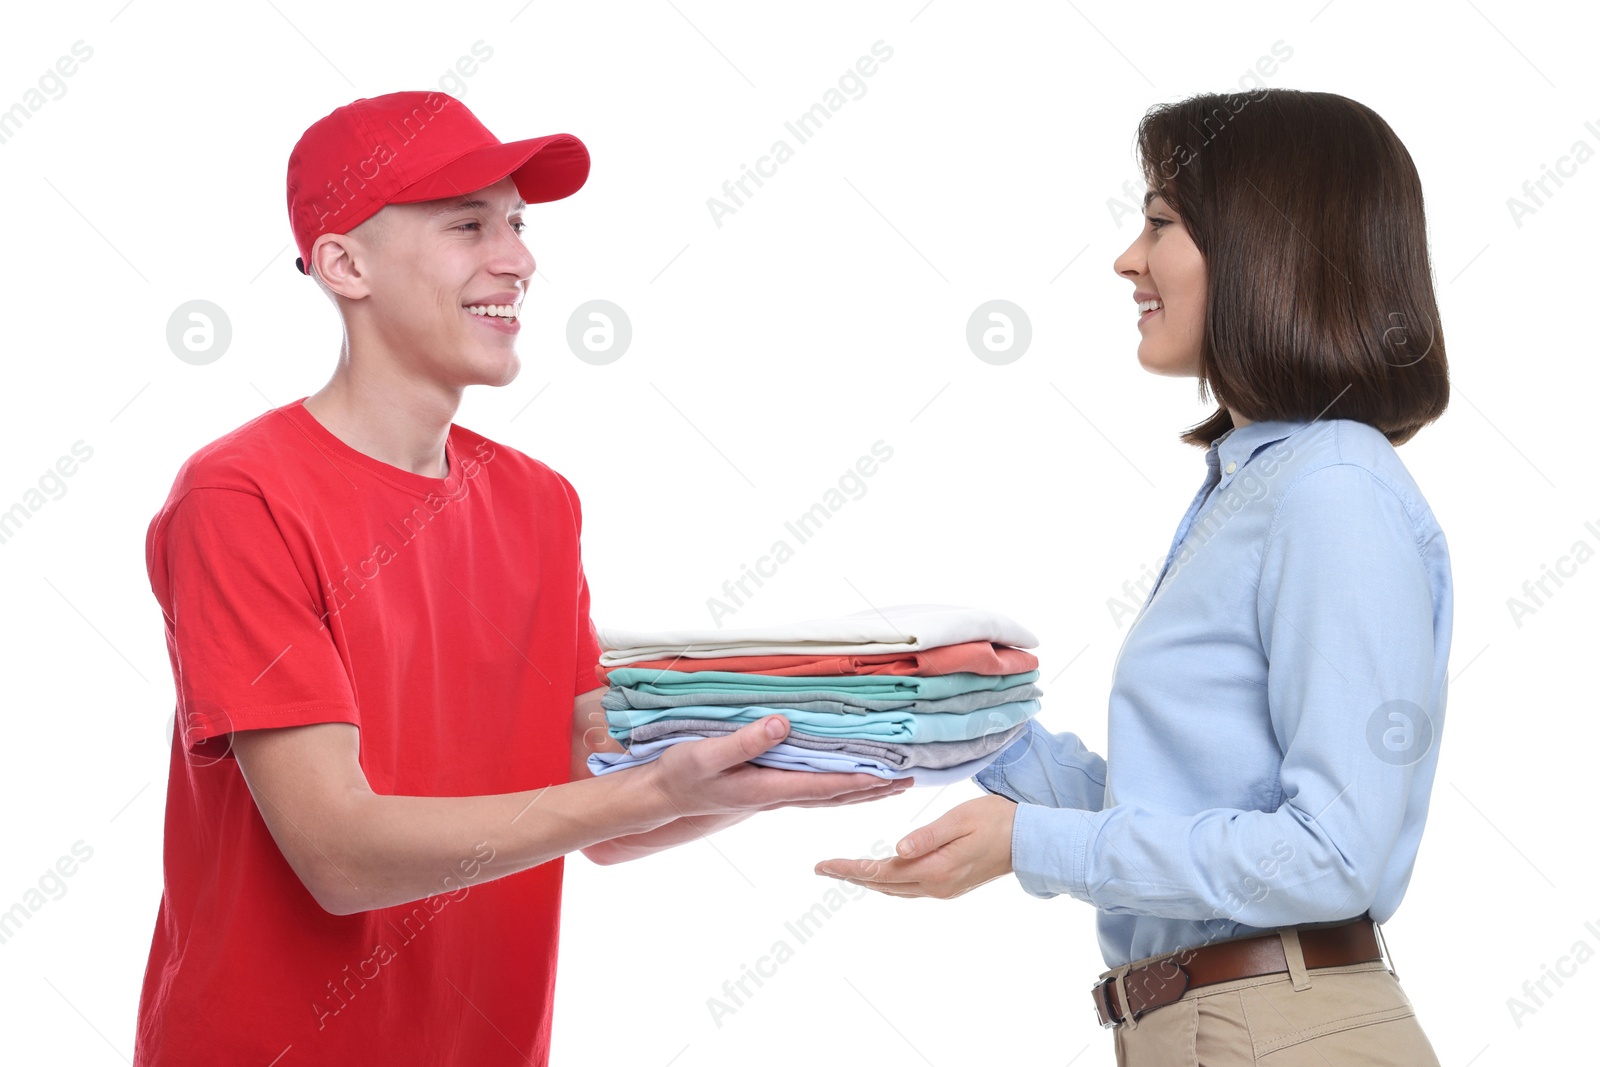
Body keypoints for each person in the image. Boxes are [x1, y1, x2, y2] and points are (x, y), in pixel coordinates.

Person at [134, 90, 907, 1067]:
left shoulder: (541, 504)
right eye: (468, 226)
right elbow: (334, 853)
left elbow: (594, 811)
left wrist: (757, 784)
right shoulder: (241, 495)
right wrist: (652, 790)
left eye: (517, 224)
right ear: (343, 264)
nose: (518, 259)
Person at [816, 87, 1452, 1066]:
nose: (1126, 258)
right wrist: (949, 709)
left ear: (1264, 244)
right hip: (1218, 1025)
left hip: (1277, 1029)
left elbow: (1331, 854)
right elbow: (1181, 810)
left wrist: (1030, 841)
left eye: (1160, 221)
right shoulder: (1259, 482)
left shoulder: (1331, 491)